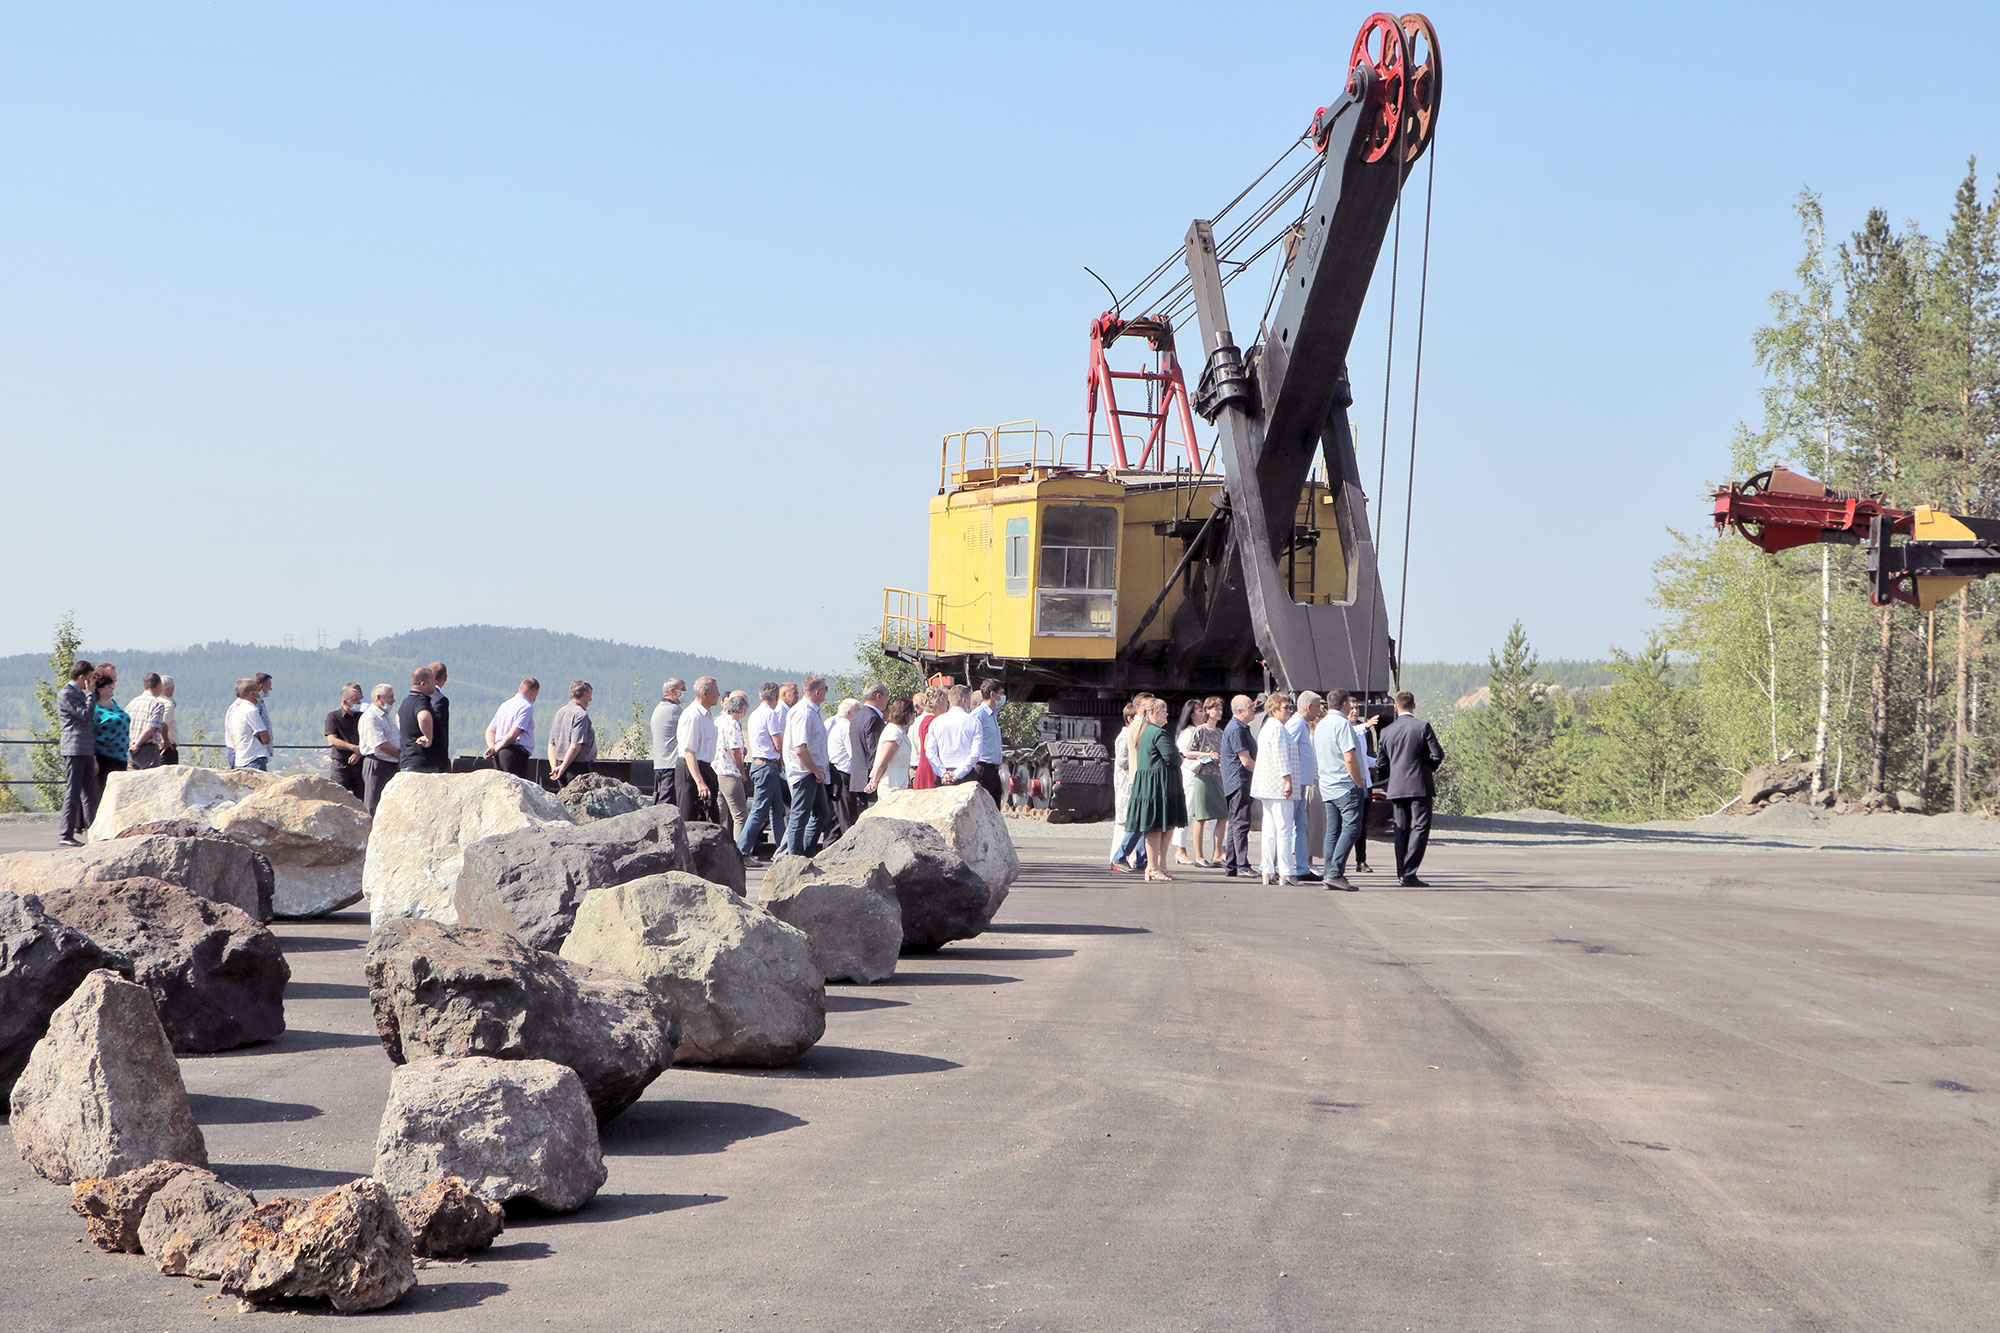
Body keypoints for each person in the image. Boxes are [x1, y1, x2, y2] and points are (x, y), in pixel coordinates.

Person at [1379, 690, 1446, 886]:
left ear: (1395, 707)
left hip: (1396, 787)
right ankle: (1409, 872)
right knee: (1420, 827)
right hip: (1420, 786)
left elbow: (1382, 764)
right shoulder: (1422, 727)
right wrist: (1426, 770)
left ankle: (1402, 872)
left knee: (1400, 829)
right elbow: (1437, 754)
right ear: (1413, 706)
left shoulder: (1386, 731)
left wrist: (1393, 776)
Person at [1125, 696, 1188, 883]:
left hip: (1158, 785)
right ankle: (1152, 867)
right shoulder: (1156, 733)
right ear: (1152, 713)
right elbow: (1172, 757)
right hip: (1157, 786)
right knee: (1155, 827)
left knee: (1165, 825)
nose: (1166, 714)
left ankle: (1160, 865)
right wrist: (1179, 757)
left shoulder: (1146, 732)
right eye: (1163, 711)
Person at [1314, 689, 1367, 891]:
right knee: (1352, 828)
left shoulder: (1322, 724)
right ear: (1345, 704)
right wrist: (1359, 781)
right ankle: (1335, 873)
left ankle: (1330, 872)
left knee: (1332, 832)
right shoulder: (1343, 724)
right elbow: (1349, 757)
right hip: (1345, 785)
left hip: (1327, 785)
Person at [1251, 692, 1300, 885]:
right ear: (1273, 709)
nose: (1289, 711)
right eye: (1285, 707)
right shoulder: (1278, 729)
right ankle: (1286, 872)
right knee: (1284, 830)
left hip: (1268, 786)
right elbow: (1281, 757)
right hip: (1279, 787)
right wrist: (1287, 780)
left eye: (1290, 707)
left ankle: (1268, 870)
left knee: (1270, 831)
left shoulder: (1267, 727)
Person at [736, 682, 788, 861]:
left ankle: (782, 850)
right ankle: (741, 850)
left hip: (759, 764)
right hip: (768, 765)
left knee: (777, 809)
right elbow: (777, 742)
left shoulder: (754, 715)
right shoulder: (770, 715)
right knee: (759, 811)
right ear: (775, 697)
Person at [782, 675, 833, 856]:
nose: (827, 692)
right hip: (804, 772)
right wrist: (815, 770)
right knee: (800, 816)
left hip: (813, 771)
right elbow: (800, 748)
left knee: (822, 813)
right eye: (826, 689)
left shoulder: (812, 712)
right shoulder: (803, 712)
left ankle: (805, 854)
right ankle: (794, 859)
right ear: (818, 692)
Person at [1174, 698, 1224, 867]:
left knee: (1213, 814)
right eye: (1199, 710)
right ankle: (1181, 849)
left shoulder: (1216, 732)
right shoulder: (1189, 732)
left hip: (1211, 773)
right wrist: (1206, 755)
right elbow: (1184, 753)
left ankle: (1218, 851)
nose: (1202, 713)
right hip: (1192, 773)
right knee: (1189, 812)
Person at [1109, 696, 1155, 872]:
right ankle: (1120, 857)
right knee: (1137, 823)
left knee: (1143, 824)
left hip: (1137, 783)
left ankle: (1141, 860)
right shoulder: (1125, 736)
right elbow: (1123, 761)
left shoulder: (1136, 734)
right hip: (1129, 785)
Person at [57, 659, 96, 845]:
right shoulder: (67, 694)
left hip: (86, 748)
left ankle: (94, 831)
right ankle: (66, 834)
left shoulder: (78, 693)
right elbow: (85, 714)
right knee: (73, 791)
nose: (92, 683)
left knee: (90, 792)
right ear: (82, 678)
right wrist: (90, 694)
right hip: (74, 747)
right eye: (89, 678)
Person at [1218, 694, 1258, 878]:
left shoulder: (1240, 727)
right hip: (1239, 782)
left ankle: (1232, 864)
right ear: (1240, 711)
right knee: (1240, 823)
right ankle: (1242, 864)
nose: (1254, 708)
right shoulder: (1236, 729)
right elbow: (1245, 760)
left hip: (1237, 782)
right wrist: (1263, 774)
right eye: (1250, 706)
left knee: (1235, 824)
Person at [1286, 691, 1324, 881]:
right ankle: (1287, 866)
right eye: (1317, 707)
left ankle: (1302, 867)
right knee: (1291, 824)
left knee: (1301, 824)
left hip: (1301, 783)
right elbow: (1285, 746)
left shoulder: (1301, 724)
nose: (1318, 711)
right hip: (1295, 782)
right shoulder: (1296, 723)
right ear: (1309, 707)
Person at [675, 676, 721, 825]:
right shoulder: (693, 716)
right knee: (690, 819)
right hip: (691, 769)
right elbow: (689, 751)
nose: (719, 694)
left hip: (706, 767)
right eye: (716, 691)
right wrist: (700, 782)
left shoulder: (707, 715)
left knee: (710, 820)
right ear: (705, 694)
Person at [923, 684, 981, 790]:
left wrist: (942, 773)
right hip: (967, 776)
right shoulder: (974, 722)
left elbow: (930, 753)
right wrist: (957, 774)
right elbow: (975, 753)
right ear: (964, 700)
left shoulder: (936, 722)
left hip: (944, 775)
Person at [847, 683, 888, 821]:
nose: (887, 700)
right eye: (887, 695)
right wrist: (876, 778)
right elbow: (875, 752)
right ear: (878, 696)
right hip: (870, 779)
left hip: (858, 778)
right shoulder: (873, 719)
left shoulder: (857, 717)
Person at [483, 679, 539, 779]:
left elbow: (490, 730)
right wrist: (497, 747)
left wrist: (493, 747)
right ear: (533, 691)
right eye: (536, 694)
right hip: (514, 754)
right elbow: (513, 734)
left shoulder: (505, 705)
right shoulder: (526, 706)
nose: (534, 698)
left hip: (498, 755)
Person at [359, 684, 402, 814]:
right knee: (374, 803)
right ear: (379, 698)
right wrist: (401, 755)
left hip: (391, 764)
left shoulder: (386, 717)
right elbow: (380, 745)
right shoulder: (370, 718)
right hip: (377, 764)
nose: (393, 700)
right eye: (391, 697)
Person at [715, 691, 750, 843]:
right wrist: (742, 772)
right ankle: (740, 851)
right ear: (741, 710)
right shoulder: (733, 725)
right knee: (740, 815)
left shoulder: (719, 722)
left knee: (721, 815)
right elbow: (735, 750)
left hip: (717, 770)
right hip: (730, 772)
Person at [547, 680, 597, 788]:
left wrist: (554, 767)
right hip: (577, 767)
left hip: (560, 765)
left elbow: (552, 744)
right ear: (585, 694)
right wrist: (563, 768)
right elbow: (575, 746)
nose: (590, 699)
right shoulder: (581, 715)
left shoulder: (560, 712)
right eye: (590, 695)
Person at [396, 666, 444, 774]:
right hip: (422, 763)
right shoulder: (420, 701)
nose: (435, 683)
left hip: (408, 760)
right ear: (423, 684)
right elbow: (424, 717)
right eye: (432, 680)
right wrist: (428, 737)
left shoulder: (406, 702)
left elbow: (398, 718)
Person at [865, 696, 915, 797]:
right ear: (907, 713)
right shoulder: (894, 732)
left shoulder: (900, 731)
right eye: (912, 712)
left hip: (900, 786)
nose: (914, 716)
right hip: (891, 788)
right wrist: (874, 781)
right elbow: (882, 762)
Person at [324, 683, 366, 801]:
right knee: (338, 799)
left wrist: (359, 752)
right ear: (345, 702)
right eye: (355, 700)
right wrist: (353, 748)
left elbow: (368, 738)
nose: (359, 703)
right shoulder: (333, 717)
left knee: (363, 799)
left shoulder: (362, 717)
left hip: (360, 764)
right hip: (341, 765)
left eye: (360, 700)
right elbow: (332, 740)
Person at [970, 679, 1007, 809]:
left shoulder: (992, 715)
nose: (1003, 697)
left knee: (995, 808)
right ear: (992, 695)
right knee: (984, 808)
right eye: (1001, 693)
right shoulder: (978, 715)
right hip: (983, 767)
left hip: (993, 768)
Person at [649, 679, 686, 806]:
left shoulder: (658, 708)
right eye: (683, 689)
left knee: (661, 798)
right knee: (667, 804)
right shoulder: (674, 710)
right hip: (671, 763)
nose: (685, 692)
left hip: (660, 762)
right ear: (672, 691)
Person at [226, 677, 272, 771]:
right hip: (253, 758)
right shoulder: (251, 710)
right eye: (258, 691)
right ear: (252, 694)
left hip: (241, 759)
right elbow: (265, 738)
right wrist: (261, 738)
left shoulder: (237, 710)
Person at [826, 698, 857, 832]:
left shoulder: (836, 726)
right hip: (844, 773)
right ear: (849, 713)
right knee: (847, 816)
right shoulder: (846, 727)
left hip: (835, 771)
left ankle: (829, 844)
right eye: (858, 711)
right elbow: (853, 753)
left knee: (837, 817)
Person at [127, 672, 168, 771]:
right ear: (159, 685)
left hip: (131, 749)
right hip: (148, 749)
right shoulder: (157, 704)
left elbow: (125, 724)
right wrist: (138, 744)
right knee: (151, 782)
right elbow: (151, 728)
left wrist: (131, 744)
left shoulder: (133, 702)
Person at [911, 685, 947, 789]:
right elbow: (928, 747)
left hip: (923, 765)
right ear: (939, 703)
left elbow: (919, 749)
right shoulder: (932, 721)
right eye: (945, 702)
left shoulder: (924, 720)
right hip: (931, 768)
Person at [424, 663, 452, 770]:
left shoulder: (415, 697)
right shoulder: (440, 700)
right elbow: (439, 729)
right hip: (434, 758)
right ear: (445, 677)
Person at [158, 675, 181, 765]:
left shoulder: (154, 701)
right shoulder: (167, 705)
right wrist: (166, 741)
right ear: (168, 689)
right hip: (167, 747)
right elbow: (163, 724)